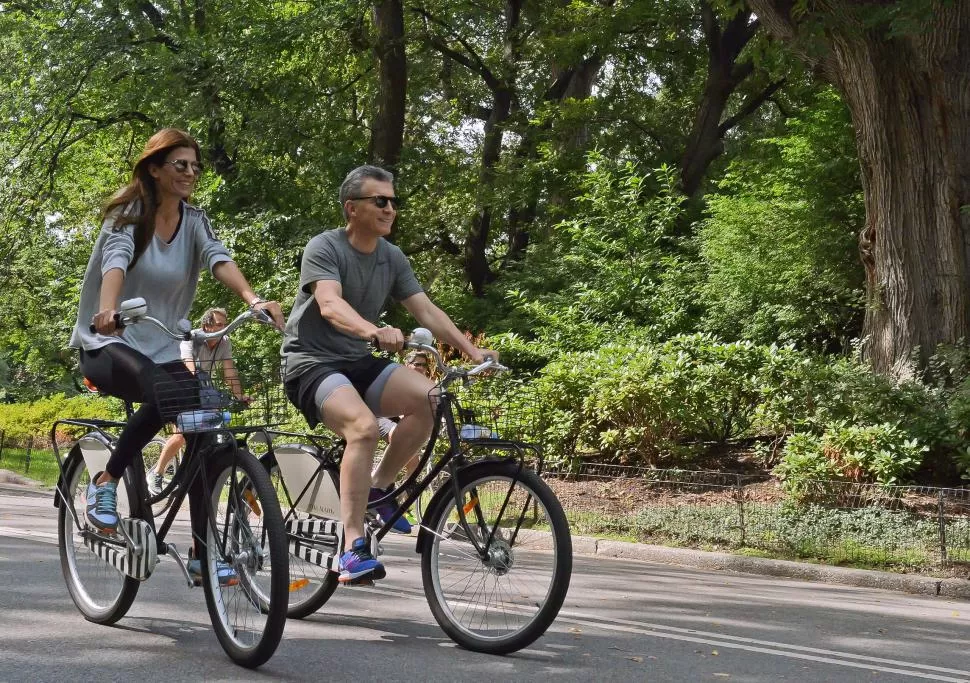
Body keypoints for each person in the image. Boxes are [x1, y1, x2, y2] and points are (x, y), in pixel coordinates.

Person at [69, 128, 284, 584]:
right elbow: (117, 261)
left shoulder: (195, 220)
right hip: (108, 343)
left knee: (204, 418)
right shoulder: (130, 216)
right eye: (180, 165)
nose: (190, 173)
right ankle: (105, 482)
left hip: (164, 344)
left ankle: (203, 552)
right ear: (155, 168)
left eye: (194, 166)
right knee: (168, 388)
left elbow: (217, 258)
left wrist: (252, 299)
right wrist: (108, 312)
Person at [282, 165, 496, 585]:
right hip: (310, 362)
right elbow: (329, 305)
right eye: (380, 200)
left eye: (393, 200)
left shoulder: (391, 257)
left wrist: (472, 352)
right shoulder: (324, 247)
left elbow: (426, 310)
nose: (390, 208)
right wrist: (373, 331)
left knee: (432, 399)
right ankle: (351, 548)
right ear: (352, 208)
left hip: (357, 361)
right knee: (362, 429)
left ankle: (378, 488)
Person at [146, 306, 250, 496]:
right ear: (206, 326)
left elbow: (229, 371)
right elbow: (189, 369)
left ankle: (196, 477)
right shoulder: (190, 339)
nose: (223, 328)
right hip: (180, 388)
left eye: (225, 325)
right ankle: (157, 473)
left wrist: (239, 395)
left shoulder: (224, 341)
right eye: (219, 325)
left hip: (205, 392)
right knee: (180, 436)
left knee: (211, 434)